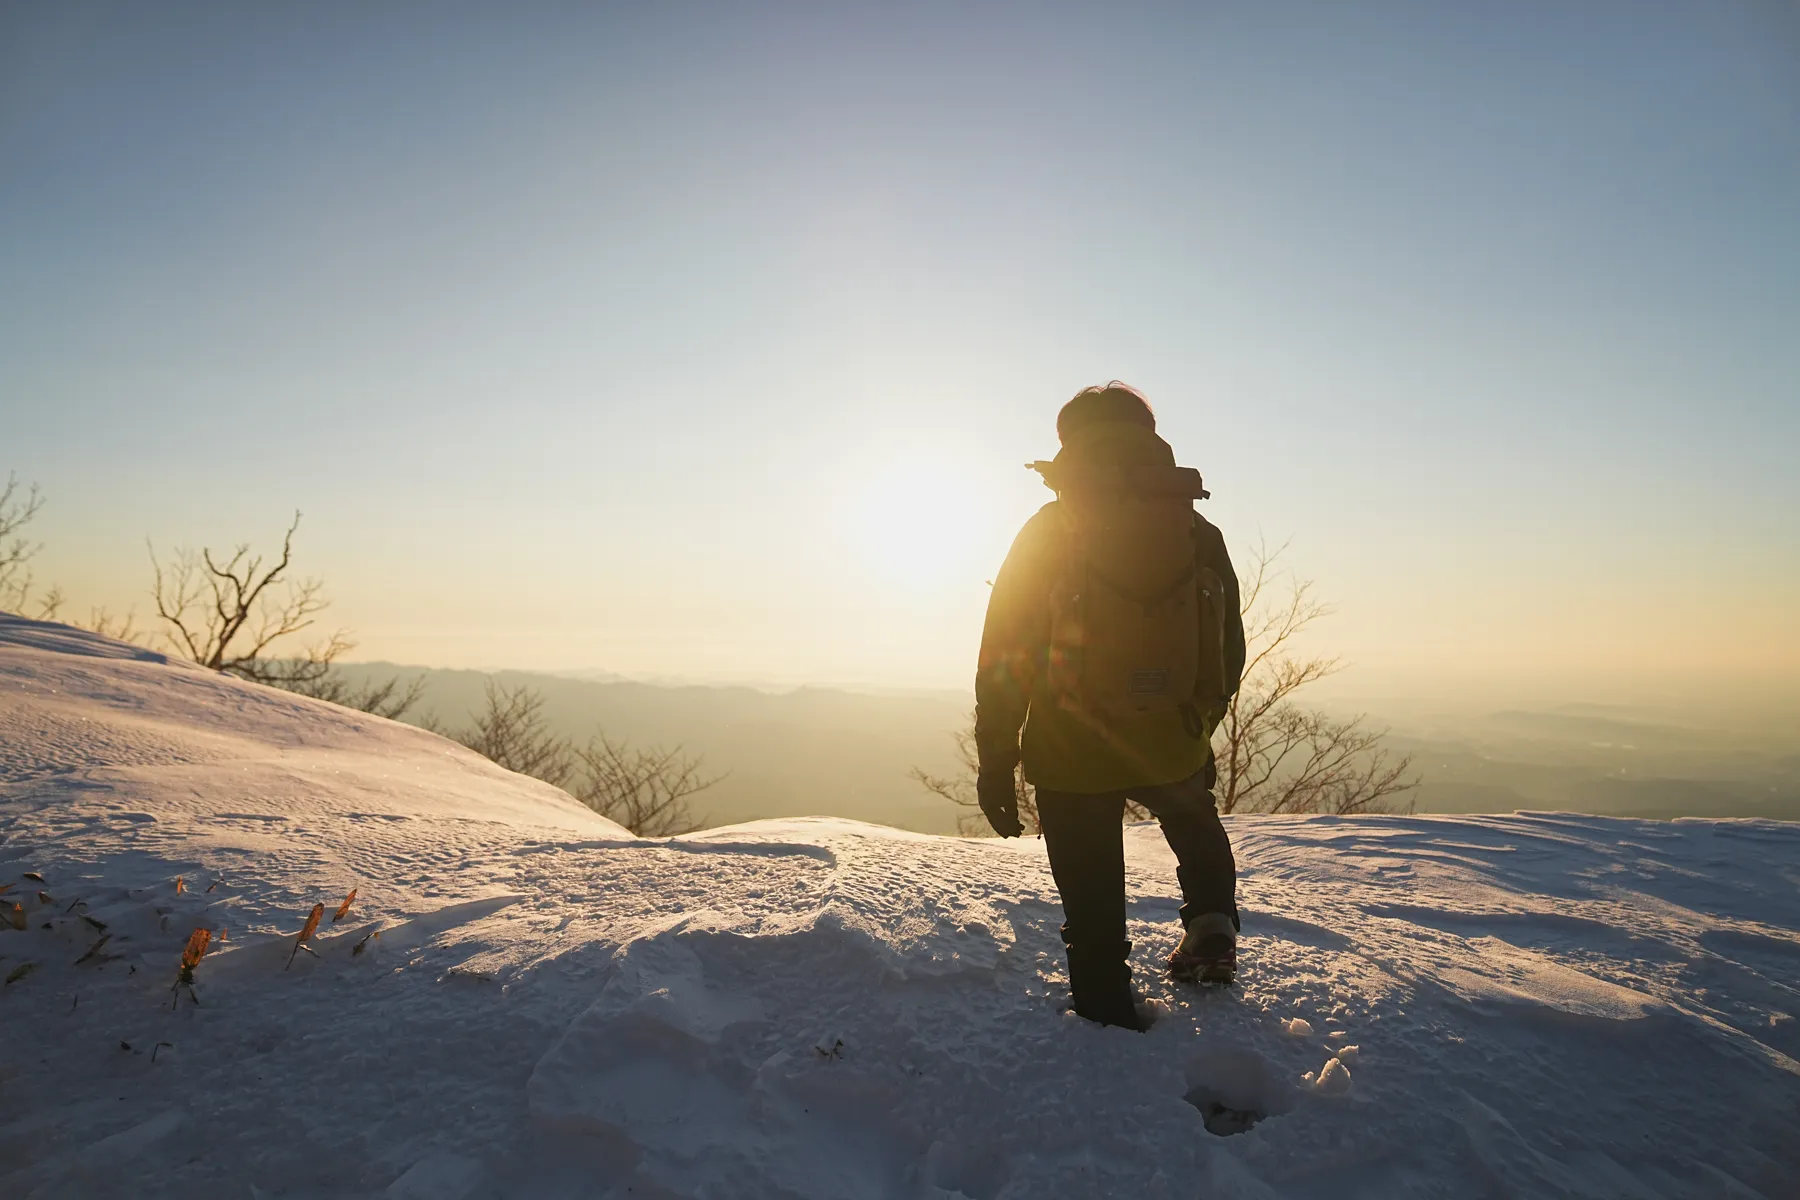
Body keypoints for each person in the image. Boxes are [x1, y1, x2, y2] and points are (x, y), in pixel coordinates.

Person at [974, 382, 1246, 1030]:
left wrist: (996, 758)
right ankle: (1211, 926)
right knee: (1192, 821)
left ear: (1070, 442)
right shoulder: (1195, 529)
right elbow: (1228, 647)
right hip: (1169, 737)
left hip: (1071, 746)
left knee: (1091, 879)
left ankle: (1104, 1007)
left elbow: (1005, 654)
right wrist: (1194, 723)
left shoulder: (1048, 531)